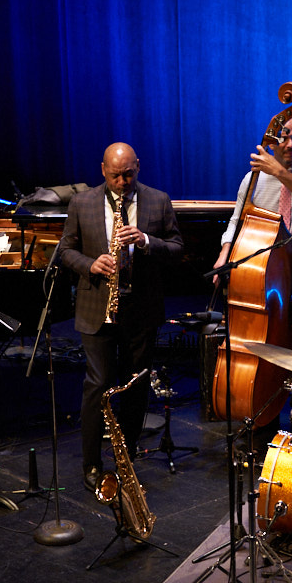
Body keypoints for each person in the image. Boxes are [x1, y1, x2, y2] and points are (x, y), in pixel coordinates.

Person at [57, 142, 183, 491]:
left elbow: (177, 248)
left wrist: (145, 240)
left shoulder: (158, 200)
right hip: (97, 307)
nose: (122, 181)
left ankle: (125, 461)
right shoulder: (82, 202)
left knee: (135, 386)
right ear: (103, 170)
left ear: (138, 167)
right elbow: (65, 251)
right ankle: (91, 465)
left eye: (128, 174)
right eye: (115, 175)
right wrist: (90, 264)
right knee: (98, 385)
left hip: (140, 309)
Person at [213, 117, 292, 359]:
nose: (291, 144)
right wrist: (223, 256)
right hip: (268, 265)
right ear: (270, 142)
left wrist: (279, 172)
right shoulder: (253, 179)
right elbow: (237, 221)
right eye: (284, 138)